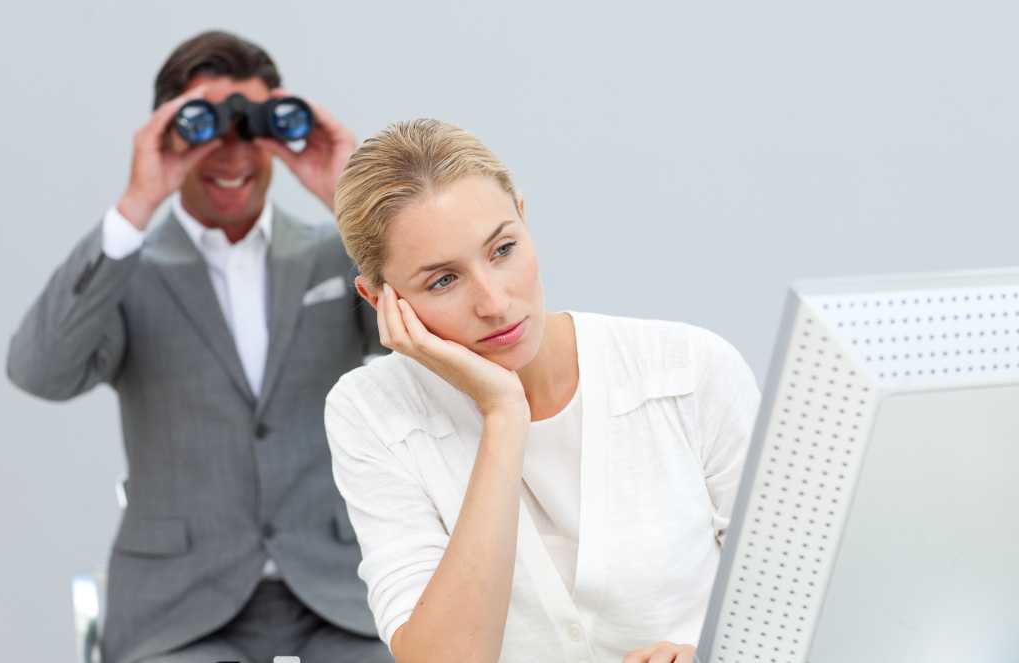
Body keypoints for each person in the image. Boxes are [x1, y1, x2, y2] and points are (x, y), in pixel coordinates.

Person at [7, 31, 391, 663]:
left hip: (340, 598)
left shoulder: (334, 253)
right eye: (204, 126)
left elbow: (434, 343)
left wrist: (352, 200)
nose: (231, 151)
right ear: (164, 131)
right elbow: (39, 371)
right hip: (179, 613)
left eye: (251, 126)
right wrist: (136, 205)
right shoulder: (127, 271)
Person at [323, 119, 762, 663]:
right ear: (379, 299)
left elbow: (796, 612)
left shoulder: (688, 370)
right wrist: (504, 413)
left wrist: (707, 656)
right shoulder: (371, 410)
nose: (494, 302)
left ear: (524, 219)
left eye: (503, 249)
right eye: (443, 280)